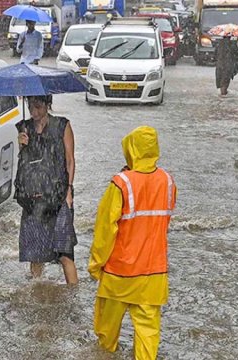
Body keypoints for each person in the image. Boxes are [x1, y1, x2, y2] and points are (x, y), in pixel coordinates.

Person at [88, 126, 177, 360]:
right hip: (154, 274)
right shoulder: (168, 181)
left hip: (119, 273)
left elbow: (105, 230)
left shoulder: (120, 183)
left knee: (106, 335)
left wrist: (96, 265)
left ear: (130, 148)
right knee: (148, 335)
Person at [15, 95, 78, 284]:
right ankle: (37, 291)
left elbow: (70, 159)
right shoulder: (24, 128)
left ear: (47, 105)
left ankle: (73, 297)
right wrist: (22, 145)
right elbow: (25, 164)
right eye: (30, 107)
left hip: (58, 196)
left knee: (65, 252)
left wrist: (68, 191)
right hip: (34, 198)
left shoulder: (62, 125)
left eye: (38, 107)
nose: (34, 112)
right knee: (36, 253)